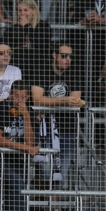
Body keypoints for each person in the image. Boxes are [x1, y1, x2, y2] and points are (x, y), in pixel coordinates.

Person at [0, 79, 39, 211]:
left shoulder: (29, 110)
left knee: (16, 185)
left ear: (27, 97)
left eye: (23, 97)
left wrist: (27, 117)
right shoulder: (0, 108)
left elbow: (31, 140)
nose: (19, 100)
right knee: (16, 182)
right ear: (10, 95)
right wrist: (26, 148)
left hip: (16, 161)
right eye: (16, 96)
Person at [30, 42, 82, 192]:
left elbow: (76, 102)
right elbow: (37, 100)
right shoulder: (42, 71)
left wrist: (50, 103)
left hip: (67, 130)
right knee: (47, 172)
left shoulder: (74, 73)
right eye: (64, 56)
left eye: (70, 57)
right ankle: (38, 186)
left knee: (60, 176)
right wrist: (64, 101)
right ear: (54, 55)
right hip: (44, 131)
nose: (68, 60)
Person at [2, 0, 51, 79]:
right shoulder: (13, 29)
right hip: (17, 67)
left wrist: (27, 26)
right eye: (19, 10)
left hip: (37, 68)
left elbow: (42, 46)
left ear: (34, 11)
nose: (22, 13)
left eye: (25, 10)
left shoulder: (44, 26)